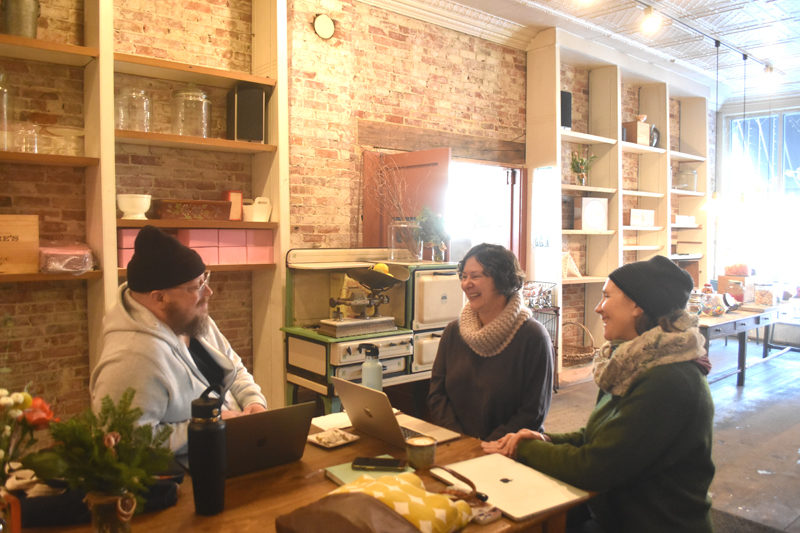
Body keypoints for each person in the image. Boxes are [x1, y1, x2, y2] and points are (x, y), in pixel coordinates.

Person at [482, 255, 714, 533]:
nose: (597, 307)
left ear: (638, 305)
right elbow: (599, 437)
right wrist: (544, 439)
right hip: (617, 516)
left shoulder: (668, 380)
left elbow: (595, 468)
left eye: (606, 297)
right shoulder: (632, 364)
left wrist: (524, 448)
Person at [90, 226, 267, 454]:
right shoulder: (131, 359)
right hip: (182, 478)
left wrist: (254, 402)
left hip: (230, 450)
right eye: (197, 287)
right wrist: (209, 427)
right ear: (160, 298)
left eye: (205, 280)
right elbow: (126, 442)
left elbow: (235, 369)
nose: (209, 293)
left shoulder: (193, 321)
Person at [427, 243, 554, 441]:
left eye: (476, 276)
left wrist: (486, 447)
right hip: (456, 445)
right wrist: (461, 441)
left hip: (508, 450)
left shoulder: (534, 337)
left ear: (502, 280)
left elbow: (533, 412)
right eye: (464, 276)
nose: (466, 283)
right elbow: (437, 394)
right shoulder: (454, 331)